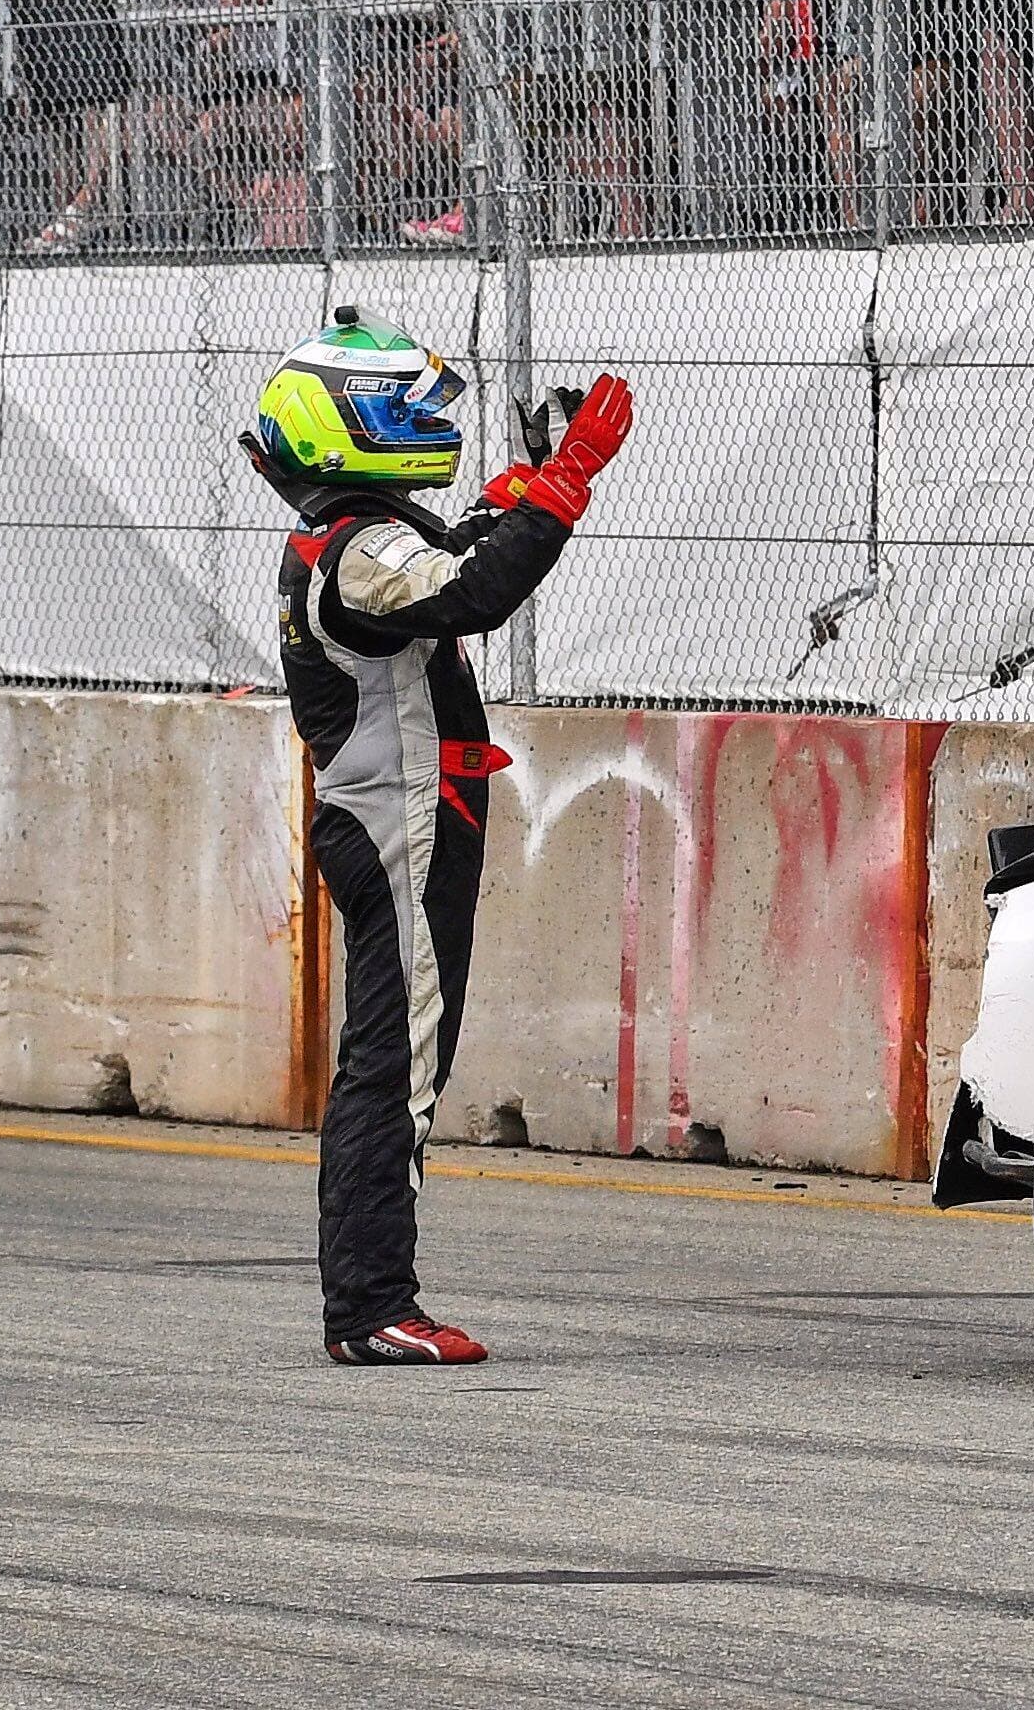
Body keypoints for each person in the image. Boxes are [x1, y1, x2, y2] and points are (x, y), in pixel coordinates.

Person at [241, 312, 635, 1362]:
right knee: (396, 1068)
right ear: (346, 423)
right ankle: (372, 1307)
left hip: (394, 821)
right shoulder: (360, 544)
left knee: (394, 1059)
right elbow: (472, 591)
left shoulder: (356, 532)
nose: (426, 421)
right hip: (399, 828)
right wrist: (565, 484)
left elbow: (448, 563)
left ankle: (369, 1302)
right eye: (407, 408)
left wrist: (523, 486)